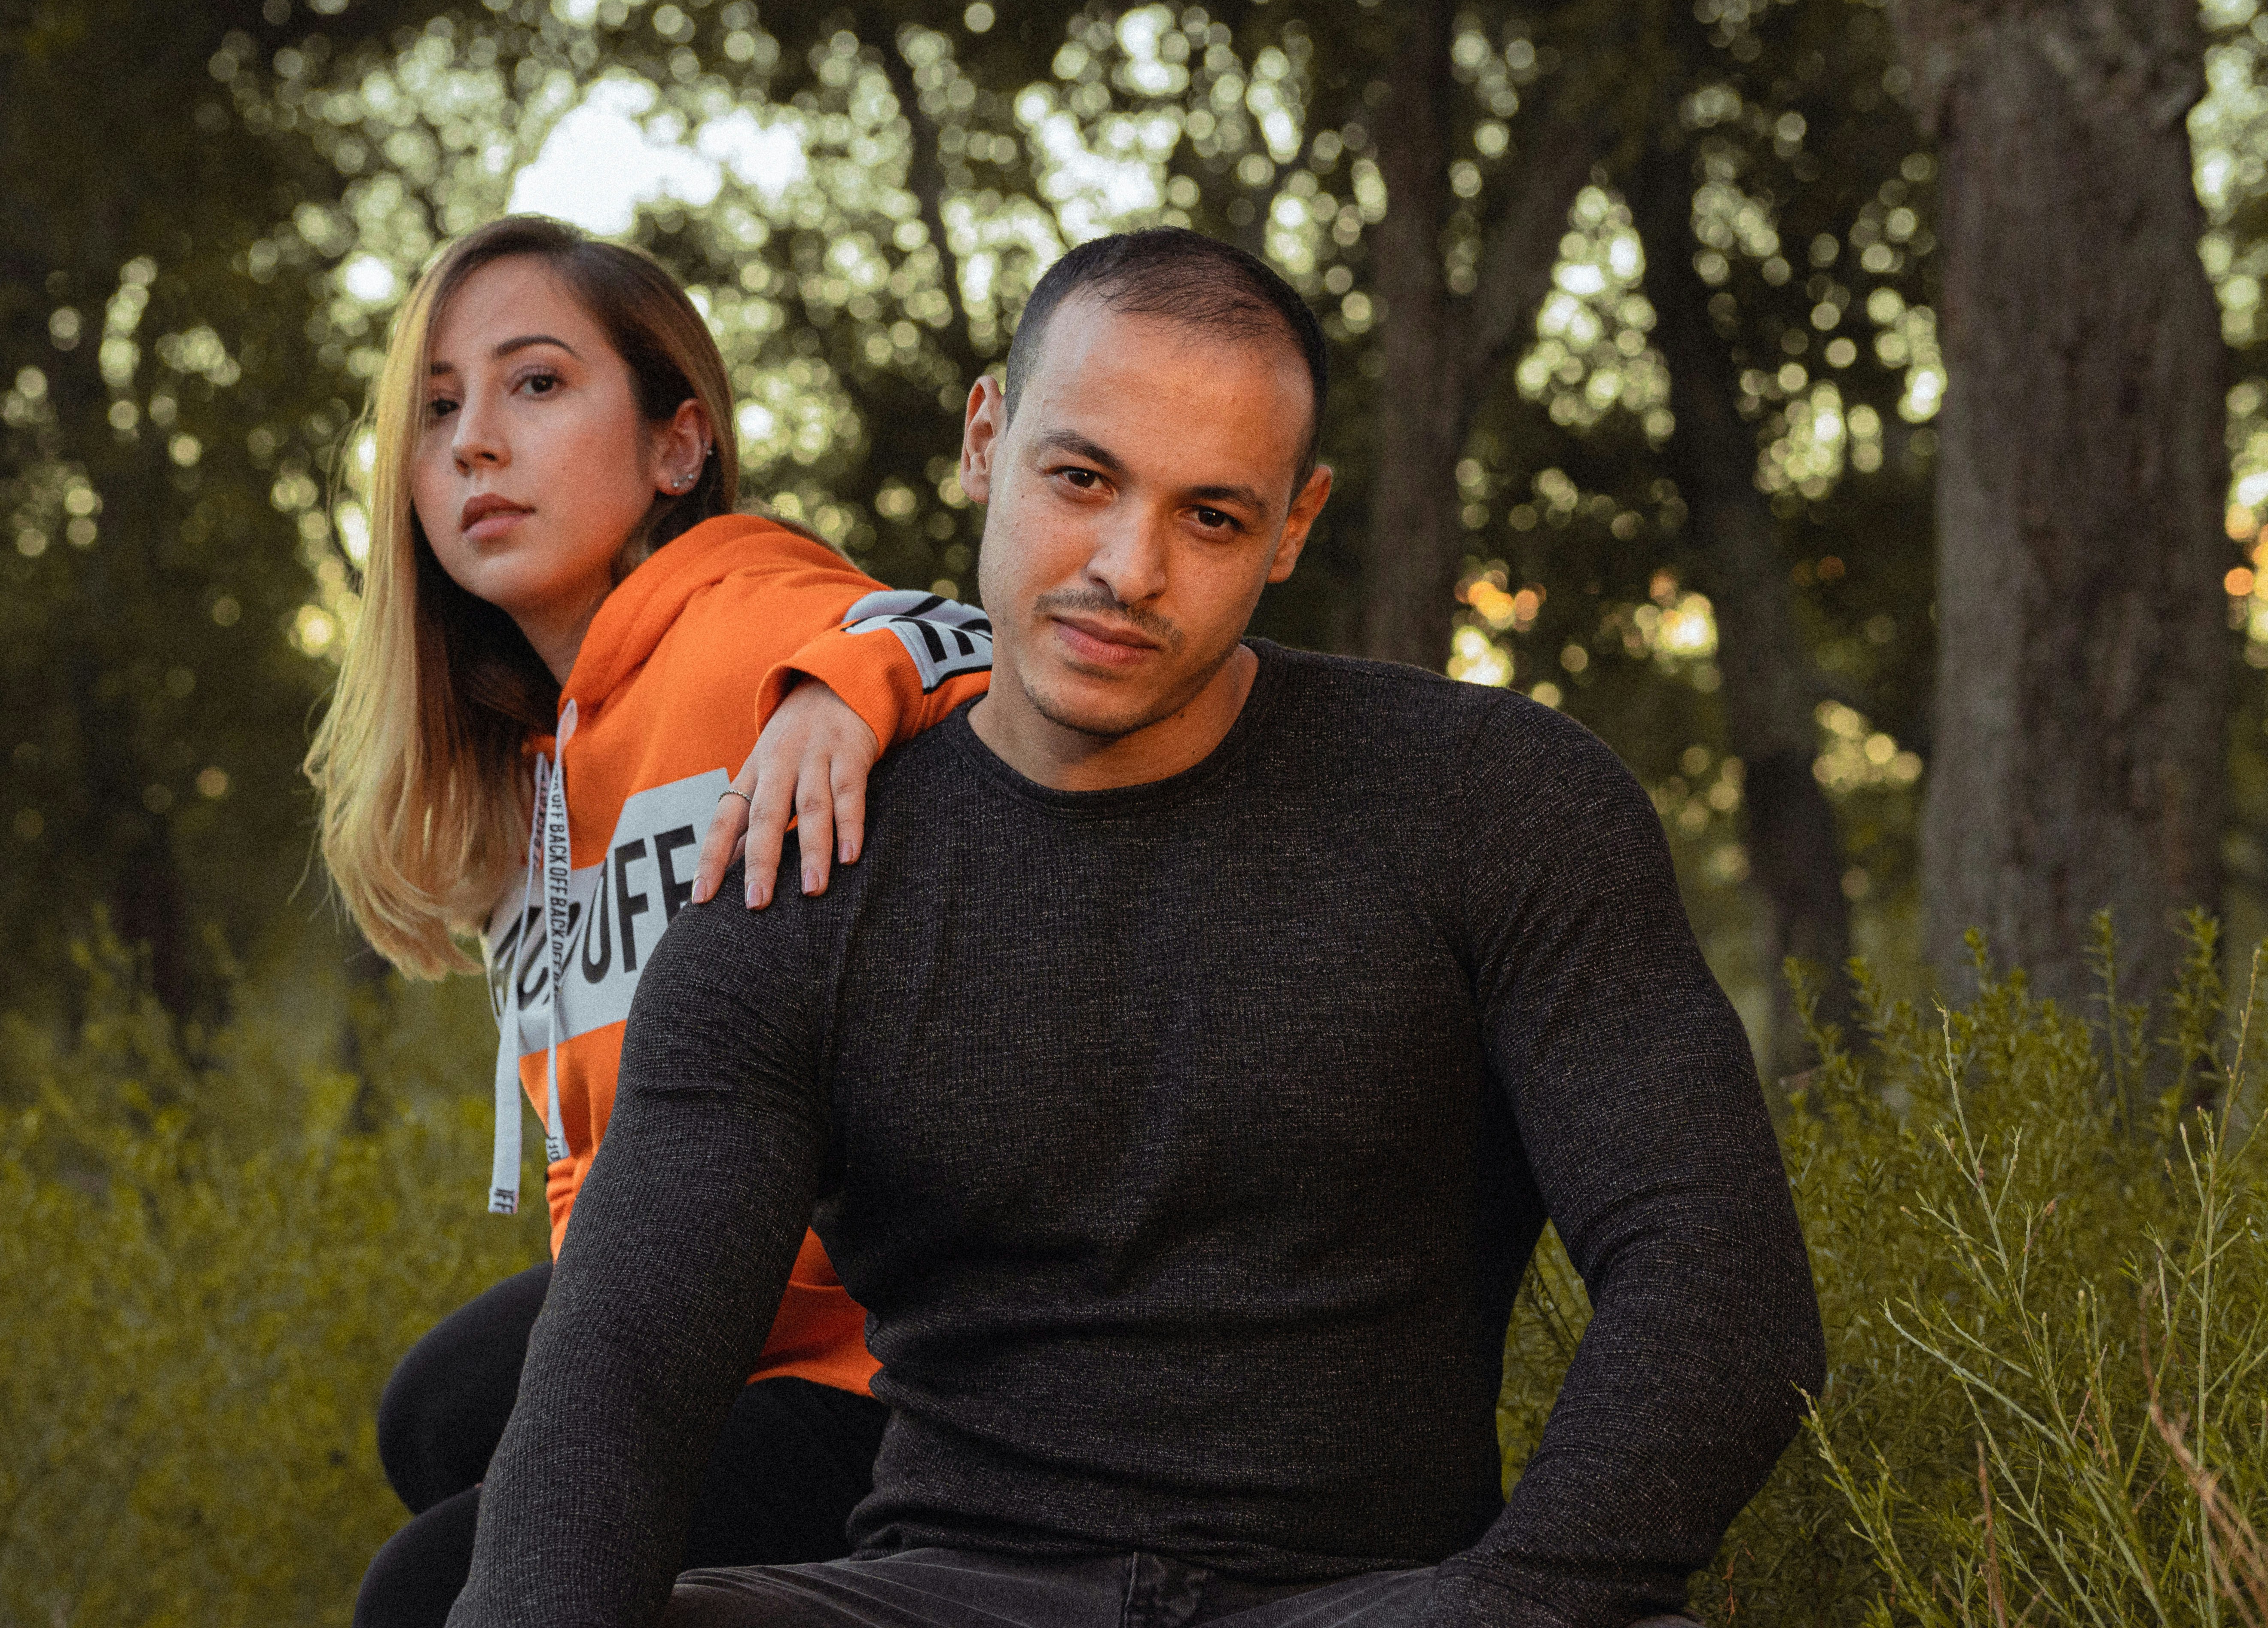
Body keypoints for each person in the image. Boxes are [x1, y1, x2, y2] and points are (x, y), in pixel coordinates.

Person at [445, 227, 1827, 1628]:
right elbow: (620, 1371)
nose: (1129, 568)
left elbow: (1718, 1289)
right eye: (1082, 479)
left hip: (1371, 1598)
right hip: (949, 1589)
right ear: (987, 439)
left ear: (1294, 525)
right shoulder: (804, 865)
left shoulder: (1493, 802)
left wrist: (1514, 1601)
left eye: (1211, 518)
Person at [306, 215, 992, 1628]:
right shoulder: (536, 779)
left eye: (536, 384)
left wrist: (841, 685)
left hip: (888, 1365)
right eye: (438, 411)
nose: (475, 444)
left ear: (678, 447)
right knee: (436, 1419)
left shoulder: (743, 620)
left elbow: (973, 641)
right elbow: (590, 1169)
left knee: (424, 1590)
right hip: (723, 1320)